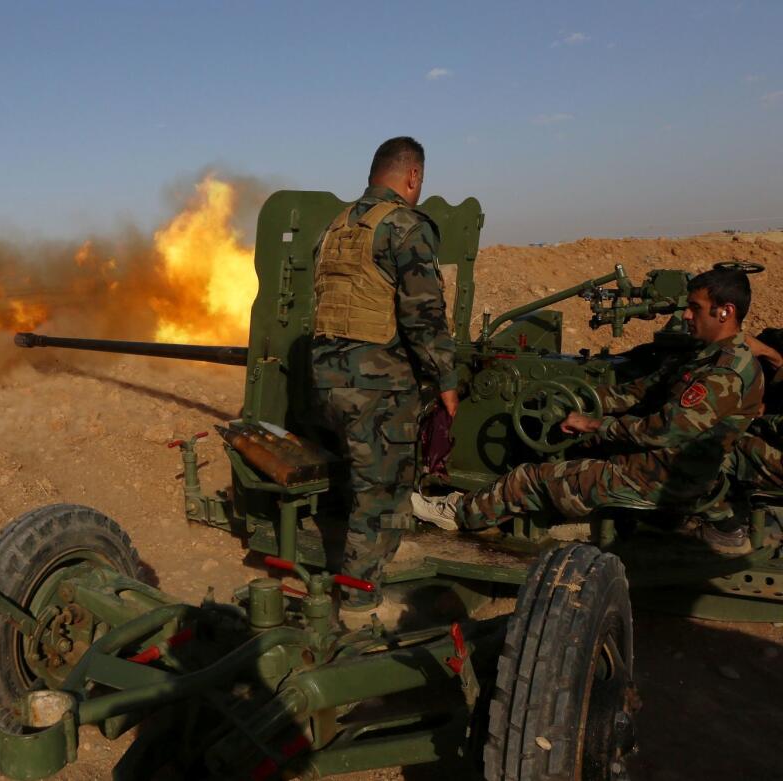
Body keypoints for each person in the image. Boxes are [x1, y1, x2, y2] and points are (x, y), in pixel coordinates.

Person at [412, 268, 764, 554]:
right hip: (664, 465)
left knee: (529, 478)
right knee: (567, 452)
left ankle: (455, 514)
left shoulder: (724, 373)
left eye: (695, 308)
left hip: (660, 477)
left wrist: (595, 426)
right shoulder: (703, 356)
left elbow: (665, 430)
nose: (686, 315)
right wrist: (581, 400)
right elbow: (638, 391)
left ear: (725, 311)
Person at [310, 137, 458, 591]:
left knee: (364, 480)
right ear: (412, 176)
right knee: (382, 495)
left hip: (329, 381)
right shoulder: (404, 226)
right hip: (379, 386)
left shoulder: (334, 228)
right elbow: (424, 315)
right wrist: (447, 380)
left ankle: (373, 562)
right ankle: (357, 600)